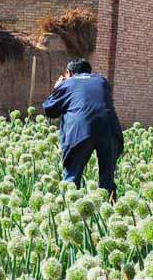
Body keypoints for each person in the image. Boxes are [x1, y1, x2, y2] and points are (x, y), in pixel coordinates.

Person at [42, 58, 124, 199]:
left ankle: (69, 213)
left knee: (71, 179)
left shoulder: (68, 83)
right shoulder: (102, 81)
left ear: (68, 73)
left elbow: (49, 110)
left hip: (80, 132)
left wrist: (57, 88)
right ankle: (109, 213)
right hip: (110, 129)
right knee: (107, 180)